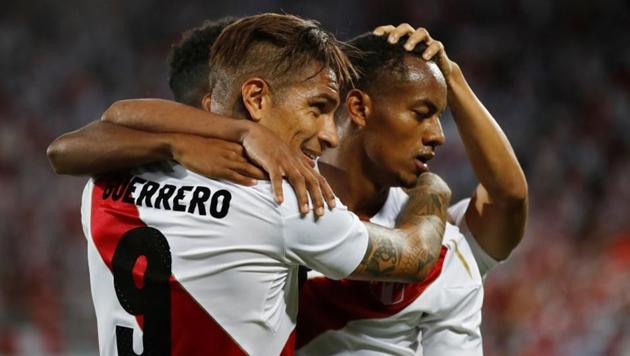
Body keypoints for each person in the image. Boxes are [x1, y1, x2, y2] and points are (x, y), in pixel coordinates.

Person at [50, 14, 451, 356]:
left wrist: (202, 138)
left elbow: (107, 124)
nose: (330, 134)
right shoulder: (283, 201)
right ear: (256, 98)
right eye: (318, 108)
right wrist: (431, 188)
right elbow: (415, 256)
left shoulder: (107, 182)